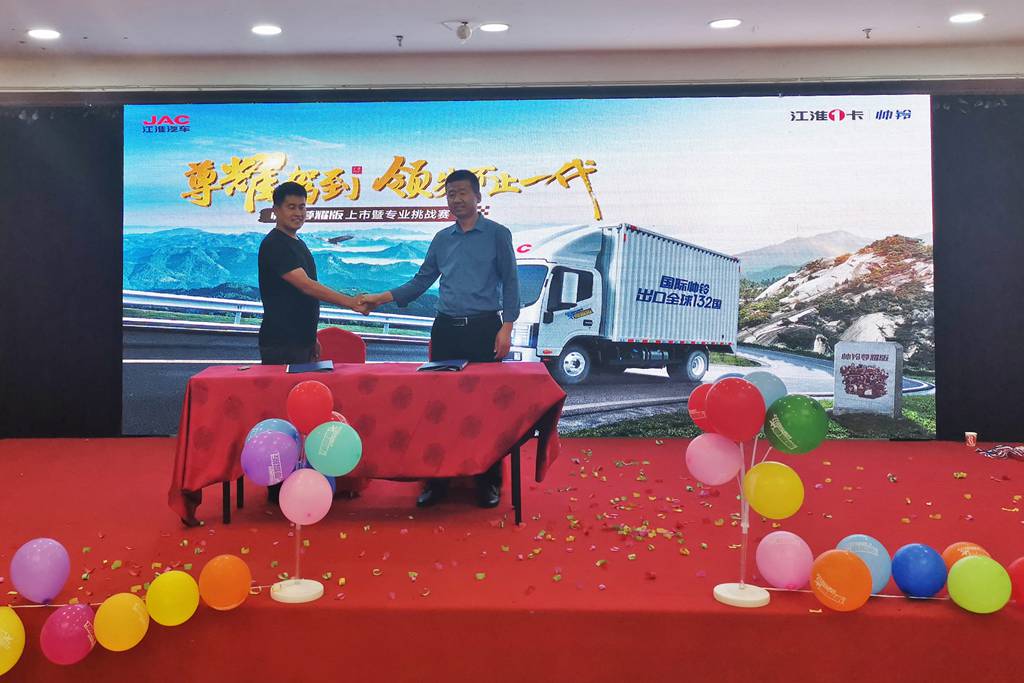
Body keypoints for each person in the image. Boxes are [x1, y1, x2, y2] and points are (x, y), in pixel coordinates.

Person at [359, 169, 520, 508]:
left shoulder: (497, 234)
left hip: (484, 329)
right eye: (450, 194)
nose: (456, 199)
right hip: (446, 329)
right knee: (439, 408)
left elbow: (511, 282)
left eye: (462, 193)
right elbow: (421, 281)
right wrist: (380, 298)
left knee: (483, 408)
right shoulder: (442, 239)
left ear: (477, 197)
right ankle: (437, 481)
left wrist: (507, 326)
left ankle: (486, 483)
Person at [258, 181, 364, 501]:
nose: (298, 213)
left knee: (307, 413)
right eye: (291, 207)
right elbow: (305, 286)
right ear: (276, 210)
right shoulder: (275, 244)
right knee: (285, 416)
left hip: (300, 342)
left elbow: (300, 298)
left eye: (302, 207)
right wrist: (349, 302)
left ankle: (307, 478)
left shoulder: (296, 242)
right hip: (281, 344)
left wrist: (312, 335)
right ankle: (278, 485)